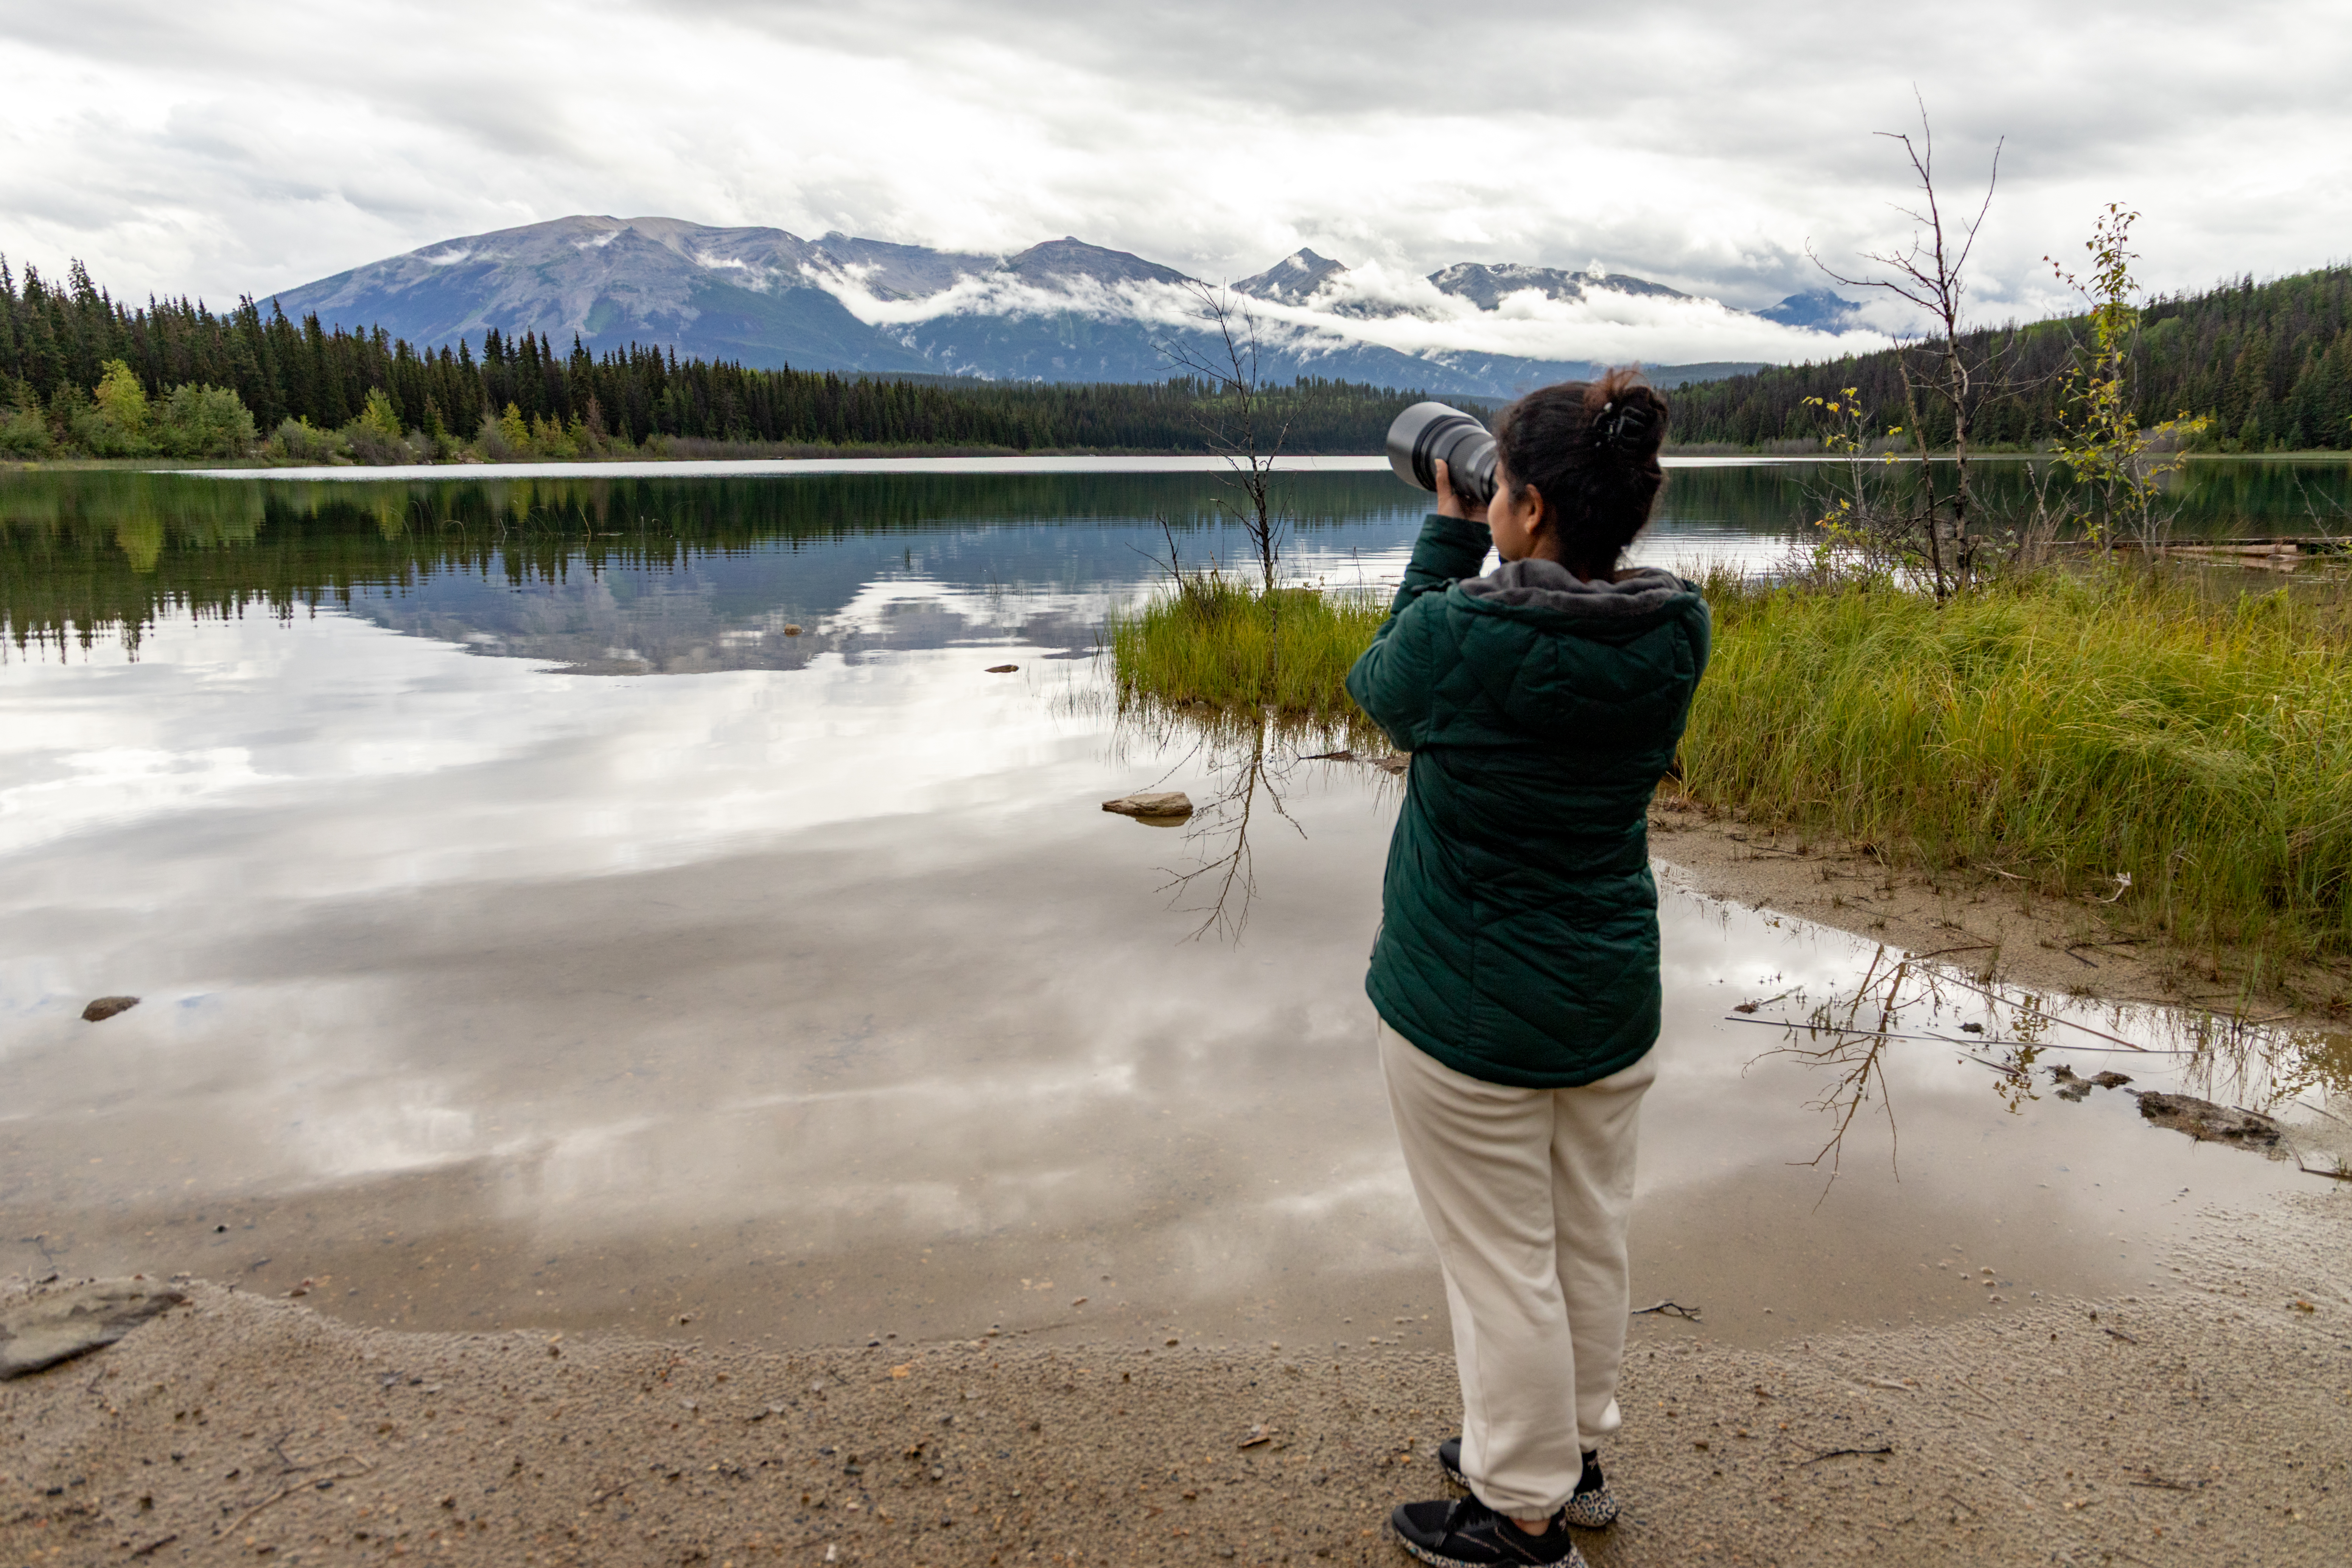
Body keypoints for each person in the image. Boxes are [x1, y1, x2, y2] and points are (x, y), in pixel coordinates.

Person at [1344, 369, 1709, 1568]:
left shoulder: (1462, 633)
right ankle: (1576, 1456)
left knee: (1503, 1265)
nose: (1487, 497)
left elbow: (1380, 683)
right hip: (1608, 999)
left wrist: (1447, 535)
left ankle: (1518, 1512)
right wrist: (1489, 526)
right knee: (1585, 1236)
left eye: (1501, 486)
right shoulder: (1676, 628)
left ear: (1531, 508)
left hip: (1468, 1014)